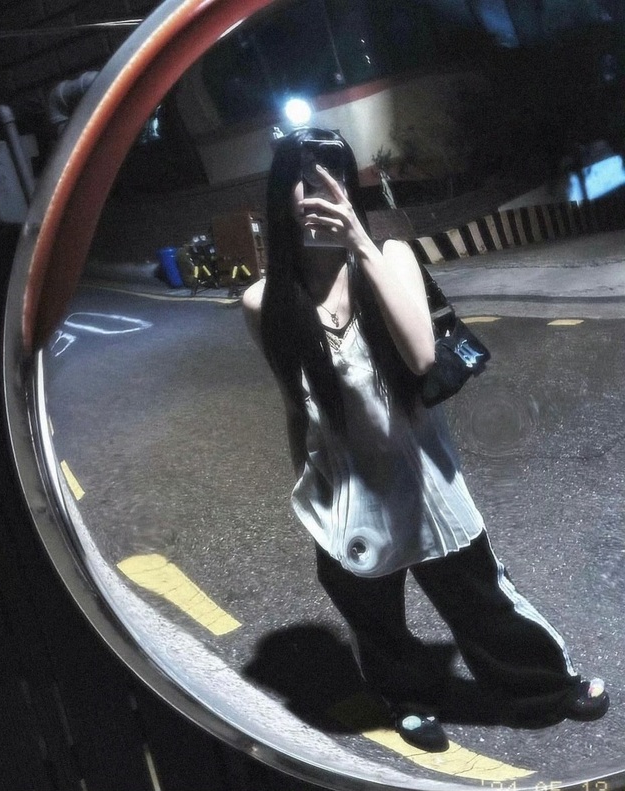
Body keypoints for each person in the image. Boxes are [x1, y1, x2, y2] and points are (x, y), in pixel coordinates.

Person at [242, 127, 609, 752]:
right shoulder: (264, 301)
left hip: (422, 474)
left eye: (334, 177)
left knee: (480, 595)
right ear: (281, 196)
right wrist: (305, 484)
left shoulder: (389, 258)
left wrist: (359, 245)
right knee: (372, 614)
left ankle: (547, 685)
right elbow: (293, 402)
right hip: (345, 486)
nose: (320, 194)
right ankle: (406, 699)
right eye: (304, 182)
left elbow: (419, 356)